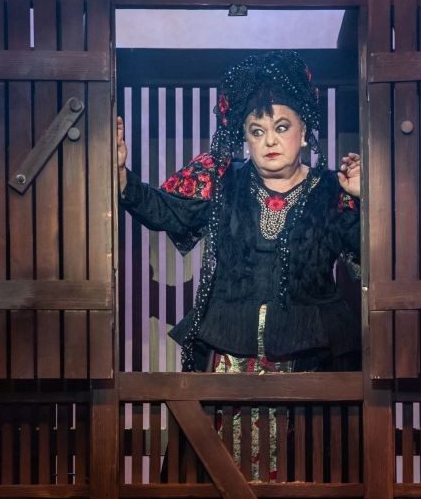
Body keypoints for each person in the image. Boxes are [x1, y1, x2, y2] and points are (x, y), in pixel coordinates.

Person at [118, 50, 360, 374]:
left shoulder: (332, 190)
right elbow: (164, 211)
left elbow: (374, 257)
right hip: (228, 353)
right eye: (257, 131)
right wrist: (121, 176)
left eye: (282, 127)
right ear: (245, 138)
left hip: (313, 356)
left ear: (303, 132)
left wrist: (367, 199)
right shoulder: (221, 179)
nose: (270, 141)